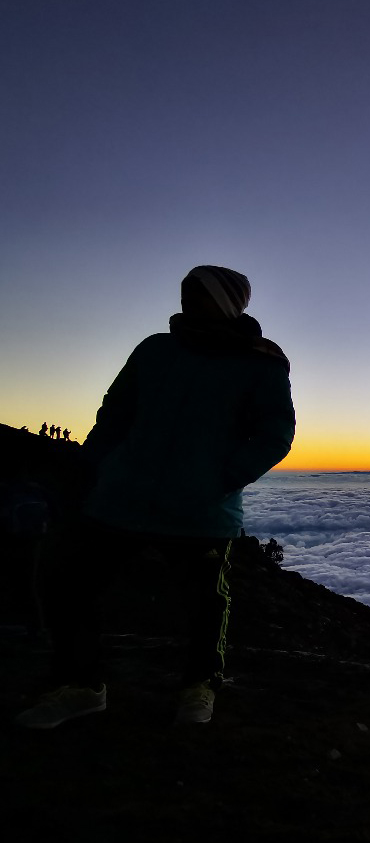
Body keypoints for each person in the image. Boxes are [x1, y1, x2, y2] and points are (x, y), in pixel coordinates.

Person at [15, 265, 295, 729]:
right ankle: (81, 686)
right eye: (185, 292)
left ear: (227, 303)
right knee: (69, 583)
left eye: (199, 294)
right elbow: (115, 413)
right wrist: (94, 468)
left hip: (200, 511)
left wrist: (218, 481)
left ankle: (199, 687)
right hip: (120, 499)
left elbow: (274, 435)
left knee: (205, 604)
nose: (186, 301)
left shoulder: (259, 363)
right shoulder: (155, 350)